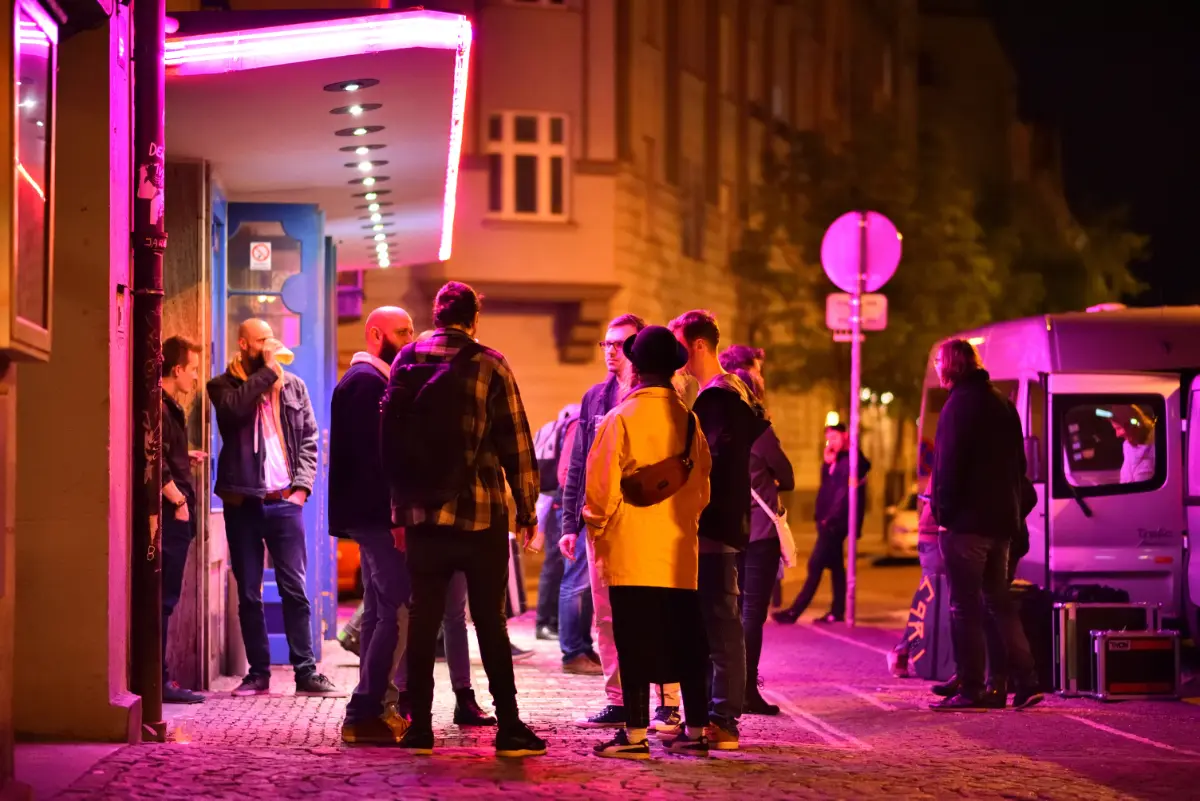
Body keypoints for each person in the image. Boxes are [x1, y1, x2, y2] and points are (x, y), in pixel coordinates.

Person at [385, 281, 546, 757]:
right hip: (480, 515)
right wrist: (528, 508)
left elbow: (392, 442)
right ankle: (510, 727)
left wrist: (399, 511)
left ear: (436, 316)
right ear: (474, 318)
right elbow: (516, 441)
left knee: (422, 617)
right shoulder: (489, 362)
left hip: (422, 515)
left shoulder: (405, 360)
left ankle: (418, 728)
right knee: (490, 622)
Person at [584, 326, 714, 760]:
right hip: (680, 557)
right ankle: (695, 729)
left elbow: (599, 493)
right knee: (687, 642)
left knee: (635, 642)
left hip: (631, 554)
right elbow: (702, 489)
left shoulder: (621, 418)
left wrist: (599, 531)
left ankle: (636, 735)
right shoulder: (689, 421)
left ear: (636, 367)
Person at [562, 315, 683, 732]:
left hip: (653, 527)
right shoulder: (597, 399)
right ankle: (618, 699)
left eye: (621, 343)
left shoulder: (671, 401)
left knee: (658, 614)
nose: (612, 351)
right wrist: (571, 523)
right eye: (606, 343)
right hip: (607, 531)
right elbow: (581, 465)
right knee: (608, 617)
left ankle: (666, 702)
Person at [208, 319, 339, 698]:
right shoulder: (224, 386)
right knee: (248, 593)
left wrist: (301, 487)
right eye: (261, 341)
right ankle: (258, 673)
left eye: (271, 340)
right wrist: (266, 370)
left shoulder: (293, 385)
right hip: (243, 502)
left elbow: (310, 437)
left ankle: (306, 672)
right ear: (244, 343)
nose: (270, 346)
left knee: (295, 589)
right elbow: (233, 413)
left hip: (285, 501)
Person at [927, 338, 1042, 712]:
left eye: (939, 364)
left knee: (965, 606)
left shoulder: (957, 406)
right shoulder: (1002, 404)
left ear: (951, 367)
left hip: (967, 525)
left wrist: (944, 516)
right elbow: (1018, 467)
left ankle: (972, 686)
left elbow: (948, 467)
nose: (936, 370)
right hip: (1001, 525)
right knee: (999, 605)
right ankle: (1026, 679)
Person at [669, 309, 760, 751]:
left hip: (714, 527)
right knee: (713, 624)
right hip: (722, 524)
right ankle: (712, 718)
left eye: (679, 343)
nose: (675, 353)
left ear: (698, 344)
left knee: (720, 626)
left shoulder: (718, 398)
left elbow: (711, 466)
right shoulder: (731, 392)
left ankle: (723, 720)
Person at [332, 307, 415, 743]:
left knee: (380, 610)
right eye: (403, 331)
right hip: (377, 519)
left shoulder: (366, 382)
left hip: (367, 518)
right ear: (375, 334)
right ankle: (367, 708)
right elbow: (375, 463)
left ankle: (372, 706)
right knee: (395, 611)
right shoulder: (368, 385)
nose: (411, 337)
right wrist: (394, 518)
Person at [729, 367, 792, 716]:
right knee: (753, 612)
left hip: (731, 531)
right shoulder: (760, 433)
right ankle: (747, 689)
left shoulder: (717, 428)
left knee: (732, 611)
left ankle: (725, 686)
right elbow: (788, 475)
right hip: (761, 534)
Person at [773, 423, 870, 625]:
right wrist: (827, 464)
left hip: (835, 524)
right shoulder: (836, 460)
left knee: (815, 564)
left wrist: (829, 519)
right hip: (827, 521)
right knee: (836, 568)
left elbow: (844, 494)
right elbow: (827, 488)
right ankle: (837, 611)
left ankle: (794, 612)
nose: (831, 442)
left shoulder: (852, 460)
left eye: (835, 437)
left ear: (845, 436)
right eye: (829, 438)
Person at [160, 335, 207, 705]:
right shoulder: (158, 406)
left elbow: (163, 453)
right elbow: (149, 455)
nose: (195, 378)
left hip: (176, 514)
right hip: (170, 516)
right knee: (164, 599)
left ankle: (160, 679)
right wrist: (176, 498)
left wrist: (183, 455)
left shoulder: (168, 406)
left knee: (166, 598)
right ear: (176, 370)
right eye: (192, 370)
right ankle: (158, 680)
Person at [533, 404, 580, 641]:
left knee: (555, 564)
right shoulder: (572, 429)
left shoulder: (549, 429)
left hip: (547, 499)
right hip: (558, 501)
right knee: (555, 565)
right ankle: (546, 622)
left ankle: (549, 622)